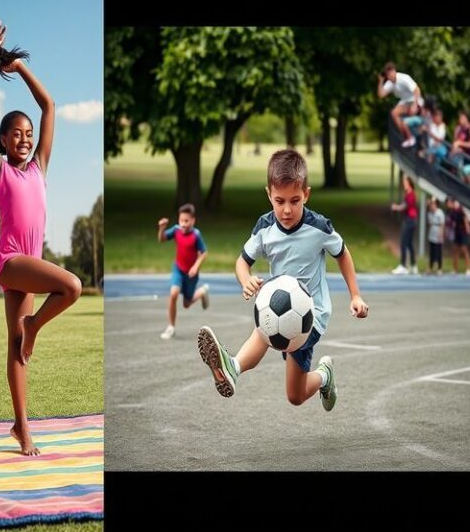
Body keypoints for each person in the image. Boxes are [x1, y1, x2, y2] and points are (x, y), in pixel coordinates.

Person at [0, 21, 82, 456]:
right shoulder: (0, 172)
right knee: (71, 286)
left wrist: (17, 68)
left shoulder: (39, 168)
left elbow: (49, 105)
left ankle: (22, 429)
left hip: (30, 260)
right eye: (15, 133)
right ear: (1, 140)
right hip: (11, 260)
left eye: (28, 135)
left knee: (17, 349)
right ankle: (34, 325)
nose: (24, 139)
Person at [196, 149, 369, 410]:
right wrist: (246, 280)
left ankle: (238, 366)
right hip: (277, 306)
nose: (287, 210)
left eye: (295, 200)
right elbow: (242, 261)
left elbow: (342, 254)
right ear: (269, 195)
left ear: (306, 195)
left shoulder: (319, 227)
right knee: (295, 395)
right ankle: (240, 367)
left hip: (312, 314)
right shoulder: (265, 228)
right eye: (279, 201)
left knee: (272, 348)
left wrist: (355, 295)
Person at [157, 203, 210, 339]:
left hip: (191, 275)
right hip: (178, 269)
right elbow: (161, 239)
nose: (183, 224)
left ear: (193, 220)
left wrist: (196, 266)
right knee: (173, 293)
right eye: (181, 221)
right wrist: (162, 228)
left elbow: (204, 253)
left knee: (187, 304)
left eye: (186, 221)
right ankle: (171, 327)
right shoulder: (176, 230)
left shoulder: (196, 235)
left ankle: (202, 292)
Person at [377, 62, 423, 148]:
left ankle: (415, 136)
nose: (389, 76)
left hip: (414, 99)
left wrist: (415, 105)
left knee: (410, 114)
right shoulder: (390, 83)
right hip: (405, 101)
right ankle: (408, 137)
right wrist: (380, 81)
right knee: (394, 113)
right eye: (387, 75)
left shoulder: (404, 78)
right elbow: (381, 95)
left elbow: (417, 90)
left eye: (390, 73)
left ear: (394, 71)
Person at [391, 176, 418, 275]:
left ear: (409, 183)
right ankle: (414, 266)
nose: (404, 184)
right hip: (410, 220)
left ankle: (403, 266)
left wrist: (396, 207)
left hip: (410, 221)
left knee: (403, 243)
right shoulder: (408, 194)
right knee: (409, 244)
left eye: (405, 182)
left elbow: (405, 206)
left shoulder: (411, 194)